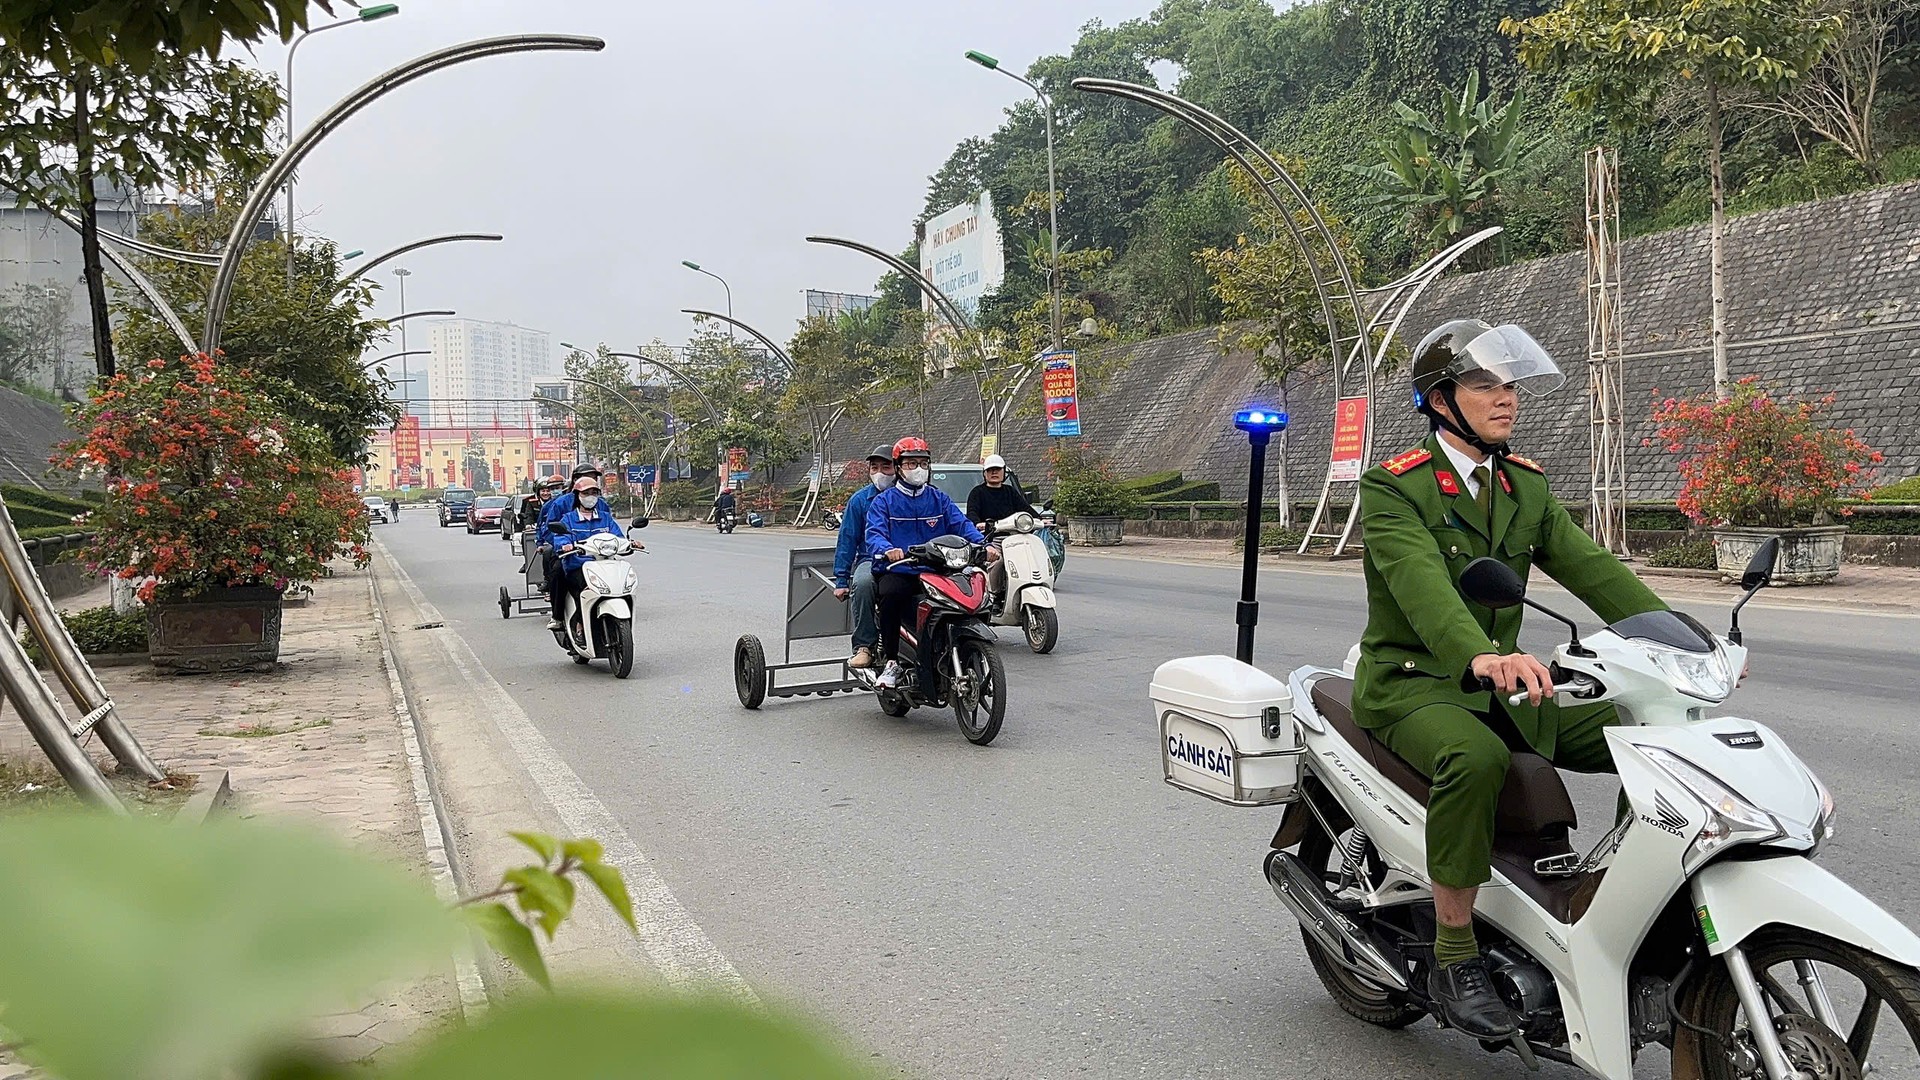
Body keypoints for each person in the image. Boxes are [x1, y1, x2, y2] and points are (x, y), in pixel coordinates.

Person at [1353, 318, 1669, 1039]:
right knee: (1476, 758)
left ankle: (1618, 905)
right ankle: (1454, 953)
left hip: (1509, 685)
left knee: (1648, 731)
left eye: (1510, 385)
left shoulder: (1523, 485)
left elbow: (1595, 571)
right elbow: (1423, 587)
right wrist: (1479, 654)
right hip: (1414, 684)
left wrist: (1680, 636)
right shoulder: (1395, 488)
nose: (1506, 397)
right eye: (1483, 384)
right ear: (1440, 401)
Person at [864, 437, 991, 689]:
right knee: (890, 595)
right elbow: (874, 534)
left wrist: (983, 545)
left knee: (970, 592)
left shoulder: (939, 499)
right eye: (911, 463)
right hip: (901, 570)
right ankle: (892, 662)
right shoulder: (884, 501)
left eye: (923, 463)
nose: (918, 469)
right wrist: (888, 550)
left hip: (937, 569)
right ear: (898, 467)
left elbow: (961, 525)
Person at [832, 445, 897, 669]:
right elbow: (847, 539)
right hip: (871, 558)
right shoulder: (859, 501)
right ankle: (864, 646)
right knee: (862, 583)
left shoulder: (912, 496)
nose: (879, 472)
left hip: (909, 558)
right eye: (874, 467)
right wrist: (841, 580)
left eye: (886, 467)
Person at [545, 476, 638, 631]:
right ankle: (577, 623)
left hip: (604, 564)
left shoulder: (605, 518)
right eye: (586, 493)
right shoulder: (568, 519)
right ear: (577, 496)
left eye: (594, 493)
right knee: (584, 588)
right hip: (578, 566)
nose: (590, 497)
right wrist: (565, 545)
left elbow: (618, 538)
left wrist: (630, 544)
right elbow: (561, 537)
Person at [965, 453, 1038, 526]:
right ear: (984, 473)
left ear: (1004, 471)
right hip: (986, 532)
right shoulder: (977, 493)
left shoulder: (1010, 491)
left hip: (1011, 531)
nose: (994, 472)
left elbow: (1025, 508)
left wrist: (1039, 519)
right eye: (990, 469)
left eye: (998, 469)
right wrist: (977, 523)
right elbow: (972, 513)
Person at [540, 463, 604, 528]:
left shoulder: (601, 504)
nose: (591, 481)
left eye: (594, 478)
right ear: (575, 480)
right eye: (587, 478)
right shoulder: (560, 503)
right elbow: (549, 528)